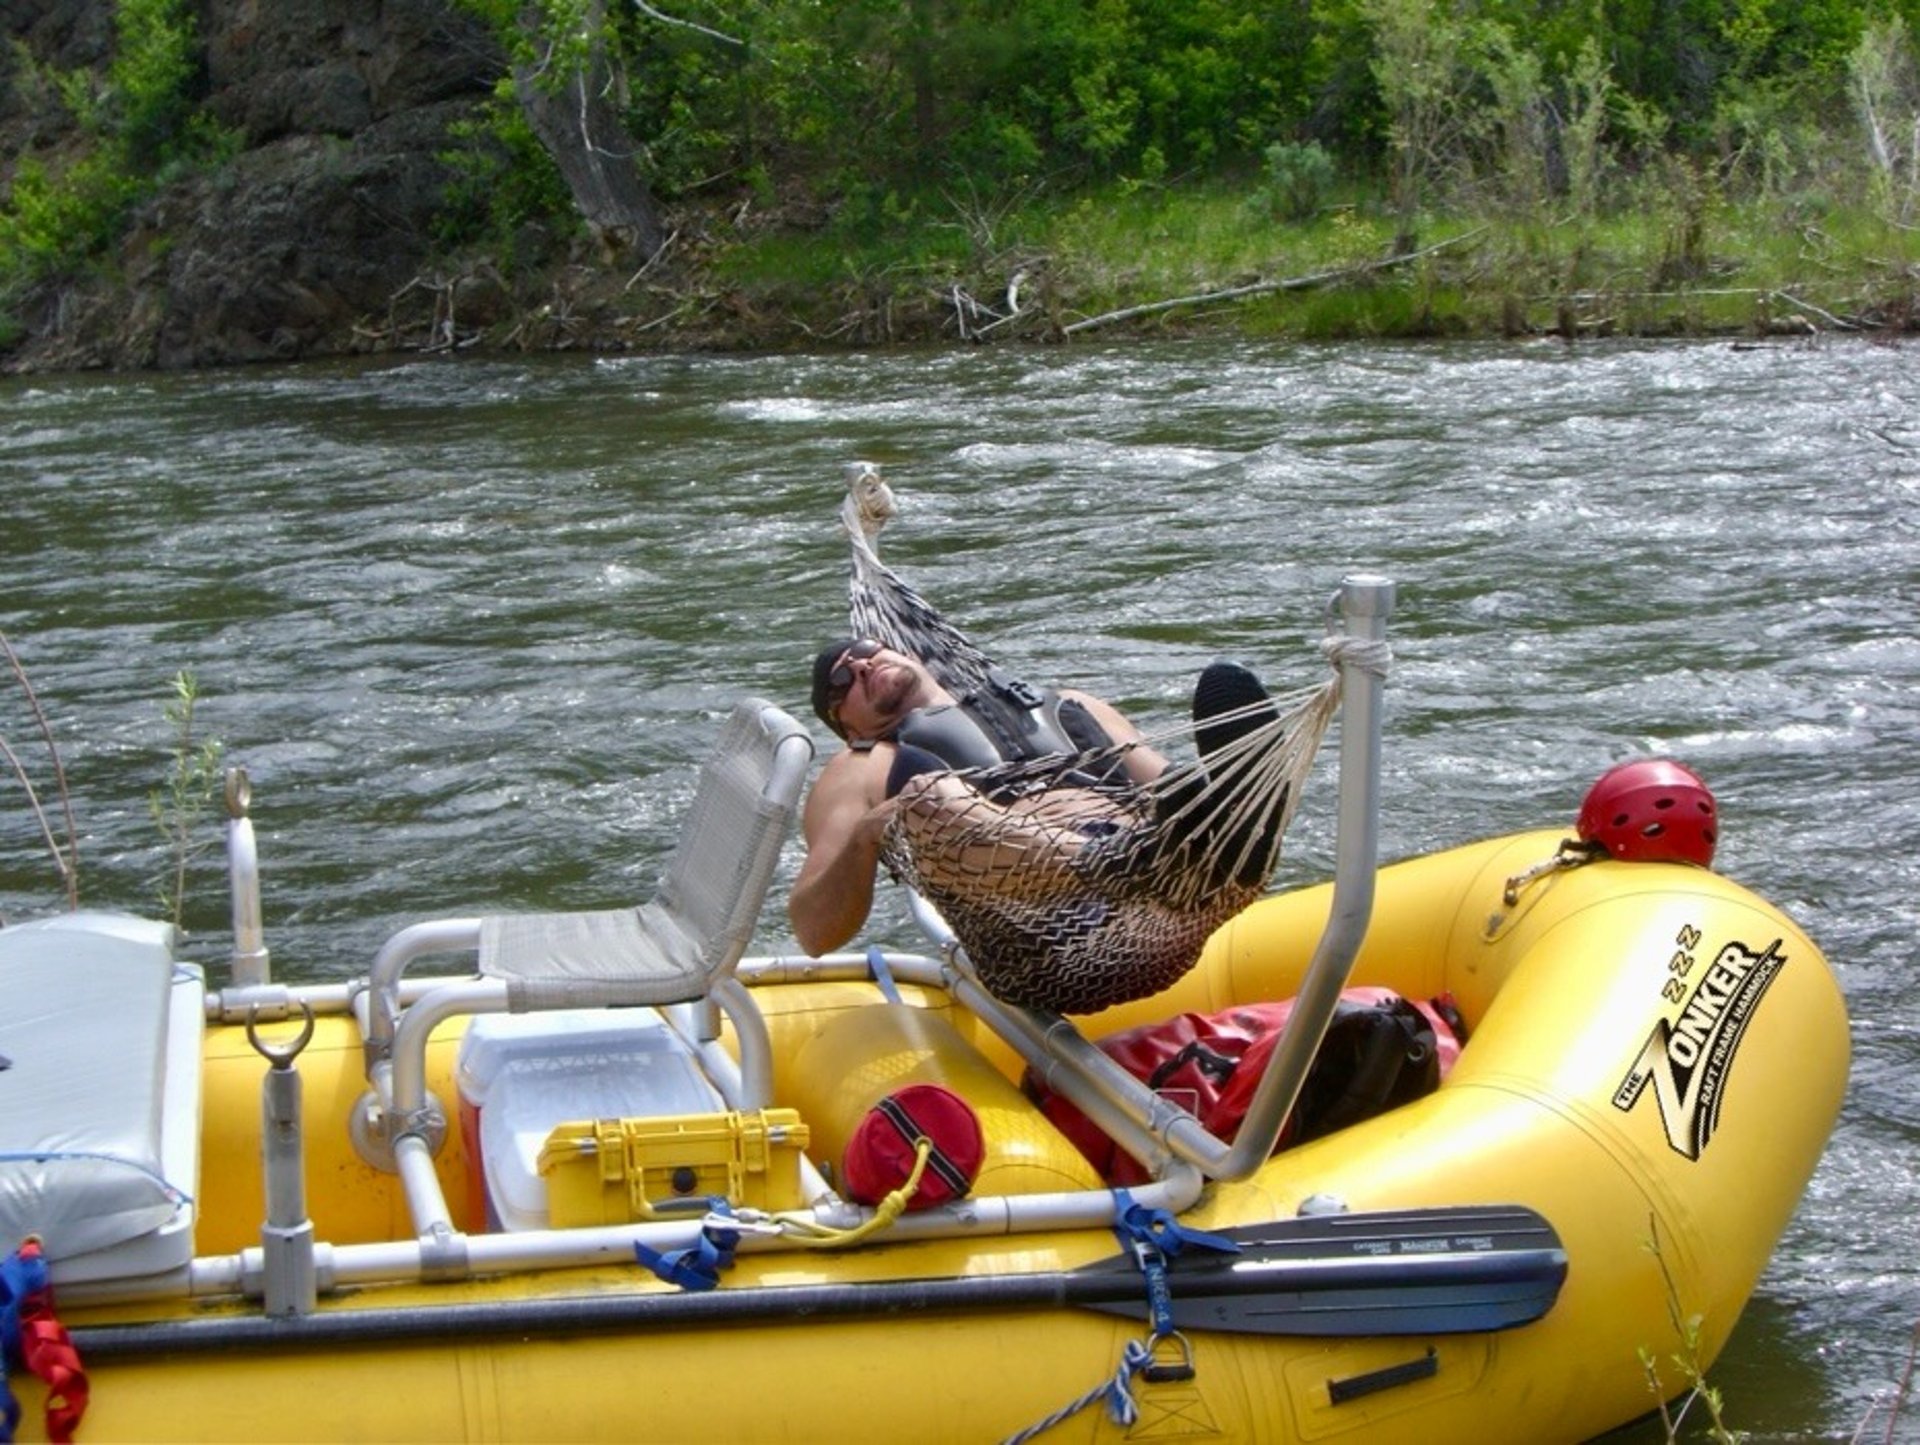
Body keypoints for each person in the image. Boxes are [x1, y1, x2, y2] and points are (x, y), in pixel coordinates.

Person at [787, 637, 1275, 957]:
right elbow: (813, 931)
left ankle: (1241, 822)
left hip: (1158, 878)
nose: (862, 665)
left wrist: (1196, 808)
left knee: (1189, 795)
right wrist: (866, 836)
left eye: (866, 650)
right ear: (846, 726)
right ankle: (1138, 860)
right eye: (841, 678)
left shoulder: (1067, 707)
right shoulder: (861, 765)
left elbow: (1171, 791)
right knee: (925, 796)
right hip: (1040, 927)